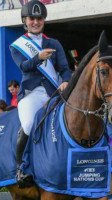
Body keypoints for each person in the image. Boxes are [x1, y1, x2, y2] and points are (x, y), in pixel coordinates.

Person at [9, 0, 71, 187]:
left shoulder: (54, 43)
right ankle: (21, 167)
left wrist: (66, 81)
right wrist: (39, 57)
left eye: (39, 19)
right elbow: (24, 66)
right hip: (31, 93)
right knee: (28, 124)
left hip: (54, 92)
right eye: (32, 19)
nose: (36, 22)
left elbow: (64, 68)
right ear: (25, 21)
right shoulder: (17, 45)